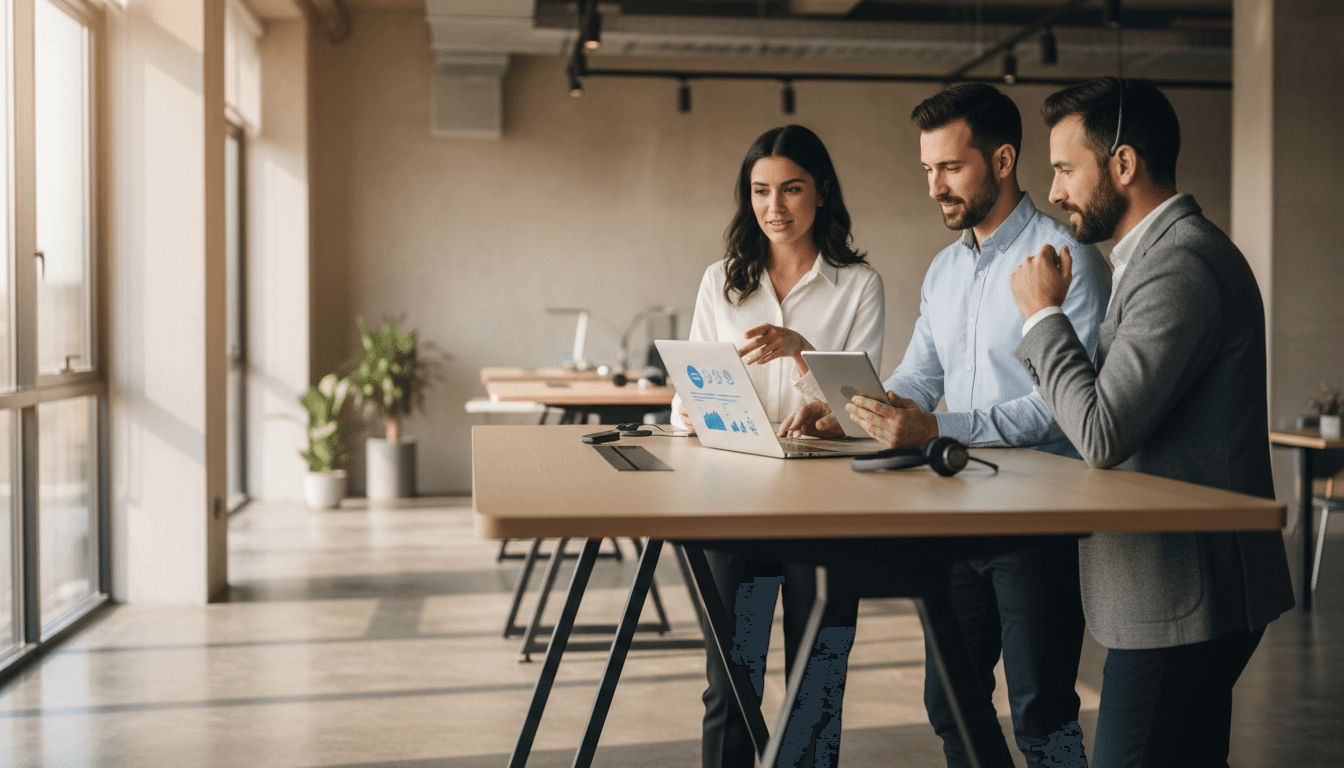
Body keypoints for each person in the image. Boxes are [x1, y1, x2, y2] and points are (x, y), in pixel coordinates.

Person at [781, 83, 1110, 767]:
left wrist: (935, 430)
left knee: (1041, 711)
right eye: (927, 170)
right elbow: (919, 378)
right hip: (955, 512)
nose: (935, 187)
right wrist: (853, 413)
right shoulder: (946, 268)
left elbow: (1063, 406)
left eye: (951, 168)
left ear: (1002, 160)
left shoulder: (1064, 258)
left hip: (1037, 519)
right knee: (949, 698)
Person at [1010, 77, 1295, 767]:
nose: (1053, 191)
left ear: (1124, 164)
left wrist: (1044, 316)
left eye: (1064, 168)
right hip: (1185, 589)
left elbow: (1102, 433)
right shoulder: (1152, 260)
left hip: (1182, 596)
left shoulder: (1180, 267)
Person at [676, 124, 884, 768]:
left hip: (826, 507)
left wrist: (801, 356)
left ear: (820, 191)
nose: (774, 206)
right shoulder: (722, 282)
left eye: (790, 189)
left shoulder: (859, 284)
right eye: (760, 190)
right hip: (731, 502)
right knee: (731, 682)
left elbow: (861, 414)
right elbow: (685, 400)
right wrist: (693, 404)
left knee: (817, 680)